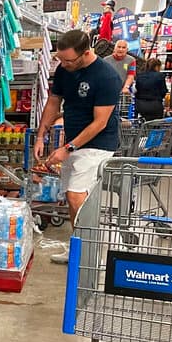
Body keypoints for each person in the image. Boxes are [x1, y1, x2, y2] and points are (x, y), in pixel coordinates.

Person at [34, 29, 121, 264]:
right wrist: (41, 134)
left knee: (75, 195)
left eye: (68, 60)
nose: (63, 64)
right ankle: (80, 247)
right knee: (72, 197)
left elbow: (100, 122)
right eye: (60, 59)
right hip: (74, 141)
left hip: (98, 144)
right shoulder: (64, 69)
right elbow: (53, 102)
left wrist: (68, 148)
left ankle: (87, 250)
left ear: (86, 53)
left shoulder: (106, 77)